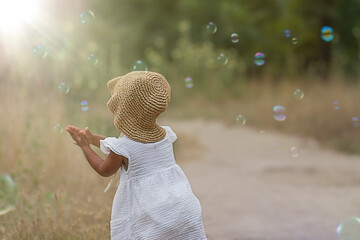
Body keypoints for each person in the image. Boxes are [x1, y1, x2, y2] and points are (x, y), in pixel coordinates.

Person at [66, 71, 207, 239]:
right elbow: (123, 147)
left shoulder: (123, 147)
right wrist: (93, 139)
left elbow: (105, 169)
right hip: (178, 206)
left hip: (151, 213)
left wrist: (85, 146)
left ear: (123, 107)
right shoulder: (166, 135)